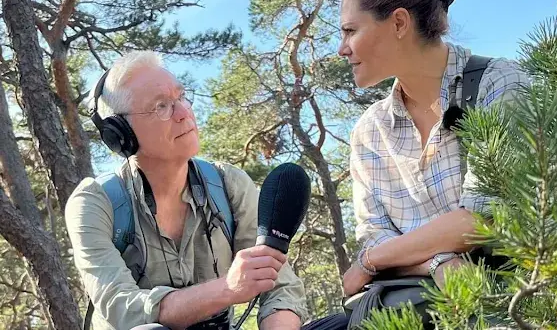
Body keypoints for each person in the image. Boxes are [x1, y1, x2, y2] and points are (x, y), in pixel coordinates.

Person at [65, 51, 346, 330]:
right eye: (162, 106)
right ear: (119, 135)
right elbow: (122, 307)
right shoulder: (93, 202)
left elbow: (279, 284)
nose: (184, 113)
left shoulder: (229, 184)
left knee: (352, 322)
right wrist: (228, 288)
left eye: (181, 97)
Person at [338, 0, 529, 299]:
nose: (342, 48)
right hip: (410, 305)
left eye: (350, 31)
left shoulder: (499, 83)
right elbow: (375, 232)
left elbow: (482, 218)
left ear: (398, 23)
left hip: (516, 302)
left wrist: (369, 261)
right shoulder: (369, 131)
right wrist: (438, 262)